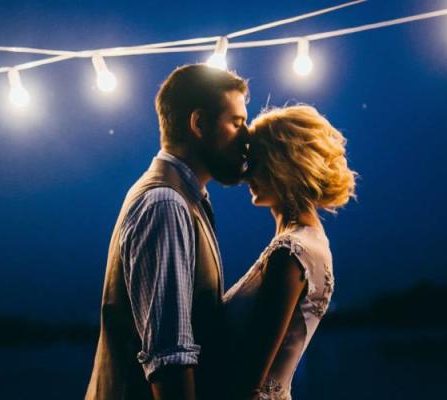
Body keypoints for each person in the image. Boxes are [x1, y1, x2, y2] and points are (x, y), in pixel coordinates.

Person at [85, 64, 249, 400]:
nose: (248, 138)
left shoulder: (183, 198)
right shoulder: (166, 203)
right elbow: (169, 358)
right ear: (199, 123)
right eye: (237, 123)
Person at [222, 105, 357, 399]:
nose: (245, 175)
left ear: (284, 164)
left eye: (255, 162)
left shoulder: (291, 253)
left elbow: (248, 380)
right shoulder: (311, 242)